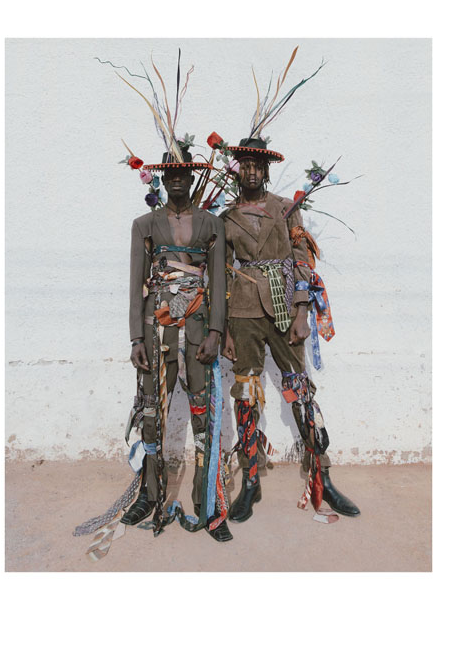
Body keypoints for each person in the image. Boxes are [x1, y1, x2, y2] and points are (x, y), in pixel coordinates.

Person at [220, 135, 360, 523]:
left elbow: (301, 260)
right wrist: (225, 329)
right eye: (245, 165)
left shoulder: (286, 209)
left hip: (284, 311)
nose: (251, 171)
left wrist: (301, 311)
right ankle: (250, 480)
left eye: (257, 165)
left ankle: (322, 477)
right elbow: (223, 273)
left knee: (299, 390)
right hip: (243, 313)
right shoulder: (226, 218)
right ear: (238, 171)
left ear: (266, 171)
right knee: (245, 393)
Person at [124, 144, 233, 542]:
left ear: (190, 177)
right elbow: (136, 283)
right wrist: (136, 336)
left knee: (204, 418)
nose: (175, 179)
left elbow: (218, 281)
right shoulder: (145, 224)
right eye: (169, 173)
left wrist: (217, 332)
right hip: (157, 331)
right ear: (163, 178)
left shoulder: (211, 224)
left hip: (200, 329)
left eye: (182, 173)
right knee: (152, 413)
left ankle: (208, 503)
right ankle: (149, 495)